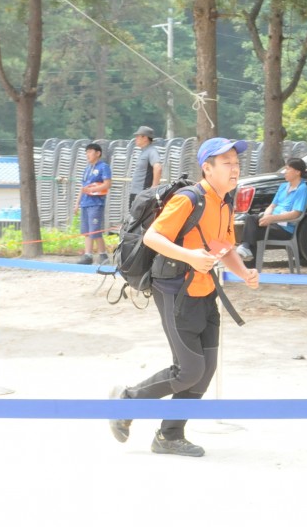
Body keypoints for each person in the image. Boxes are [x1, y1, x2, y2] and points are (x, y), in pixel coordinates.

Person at [108, 137, 260, 457]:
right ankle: (127, 401)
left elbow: (224, 247)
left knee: (205, 370)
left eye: (236, 163)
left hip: (204, 292)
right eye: (227, 163)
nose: (235, 168)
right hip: (175, 289)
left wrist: (244, 272)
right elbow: (153, 237)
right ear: (207, 168)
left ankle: (169, 436)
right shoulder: (189, 199)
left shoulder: (224, 202)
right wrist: (190, 256)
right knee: (188, 370)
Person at [235, 157, 307, 262]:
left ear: (297, 172)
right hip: (272, 223)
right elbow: (272, 206)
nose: (285, 172)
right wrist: (267, 216)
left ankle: (246, 254)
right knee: (250, 219)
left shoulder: (302, 189)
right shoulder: (283, 186)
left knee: (252, 232)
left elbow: (296, 214)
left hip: (284, 228)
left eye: (288, 169)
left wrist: (272, 219)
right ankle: (246, 250)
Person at [77, 143, 112, 266]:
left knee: (95, 230)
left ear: (98, 153)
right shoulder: (87, 169)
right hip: (85, 203)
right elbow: (83, 188)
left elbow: (107, 184)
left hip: (96, 203)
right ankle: (88, 255)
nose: (87, 154)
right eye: (86, 152)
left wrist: (92, 190)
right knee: (87, 231)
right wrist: (77, 203)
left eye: (90, 152)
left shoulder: (103, 167)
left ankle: (103, 254)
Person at [128, 125, 162, 204]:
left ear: (145, 138)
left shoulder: (152, 151)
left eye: (138, 136)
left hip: (143, 194)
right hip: (137, 193)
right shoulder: (144, 152)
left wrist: (154, 188)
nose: (136, 138)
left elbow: (158, 168)